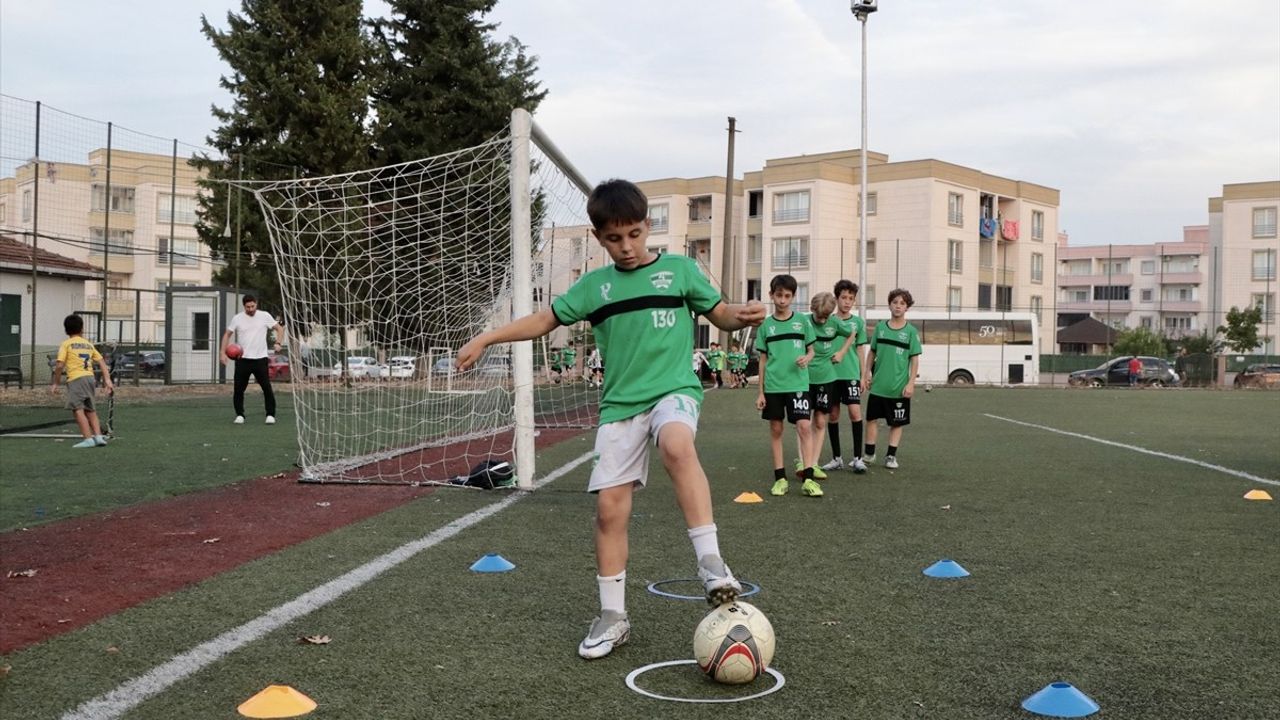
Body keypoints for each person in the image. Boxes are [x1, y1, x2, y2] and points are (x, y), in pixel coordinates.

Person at [456, 179, 766, 660]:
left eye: (635, 234)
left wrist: (741, 316)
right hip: (620, 406)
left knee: (678, 446)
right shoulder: (594, 288)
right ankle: (613, 616)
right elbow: (545, 321)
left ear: (648, 228)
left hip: (673, 391)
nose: (627, 246)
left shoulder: (681, 271)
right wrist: (487, 338)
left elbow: (720, 314)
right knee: (608, 511)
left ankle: (710, 563)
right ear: (600, 238)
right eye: (615, 238)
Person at [755, 274, 822, 498]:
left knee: (804, 426)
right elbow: (763, 360)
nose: (782, 300)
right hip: (774, 386)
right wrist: (761, 392)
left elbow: (812, 350)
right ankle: (780, 478)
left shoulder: (802, 322)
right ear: (771, 296)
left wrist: (807, 357)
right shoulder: (766, 326)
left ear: (793, 297)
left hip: (799, 385)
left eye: (787, 296)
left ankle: (809, 478)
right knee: (776, 429)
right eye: (778, 295)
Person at [861, 289, 921, 470]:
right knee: (871, 419)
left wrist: (911, 383)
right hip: (879, 386)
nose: (898, 306)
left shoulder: (910, 332)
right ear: (889, 304)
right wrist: (866, 374)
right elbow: (872, 352)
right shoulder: (880, 328)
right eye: (895, 302)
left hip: (898, 388)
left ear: (907, 308)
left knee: (897, 422)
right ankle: (869, 454)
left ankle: (890, 456)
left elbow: (915, 358)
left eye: (902, 303)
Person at [801, 291, 855, 480]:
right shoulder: (803, 321)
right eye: (819, 316)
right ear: (811, 309)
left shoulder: (835, 323)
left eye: (826, 316)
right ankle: (802, 461)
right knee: (803, 423)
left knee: (820, 421)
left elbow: (852, 333)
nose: (822, 321)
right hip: (804, 378)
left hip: (827, 378)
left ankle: (814, 463)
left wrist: (841, 352)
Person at [822, 280, 869, 474]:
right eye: (844, 298)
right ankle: (837, 458)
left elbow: (860, 349)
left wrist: (863, 375)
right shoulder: (830, 321)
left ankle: (858, 458)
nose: (847, 302)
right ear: (836, 299)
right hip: (831, 375)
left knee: (855, 413)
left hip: (850, 374)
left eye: (851, 298)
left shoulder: (858, 323)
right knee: (832, 415)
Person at [50, 314, 115, 448]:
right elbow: (101, 362)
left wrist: (56, 382)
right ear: (82, 329)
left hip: (76, 379)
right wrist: (107, 379)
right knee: (90, 409)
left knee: (77, 409)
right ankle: (98, 437)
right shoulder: (88, 344)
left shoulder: (66, 344)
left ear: (66, 330)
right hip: (90, 378)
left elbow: (60, 365)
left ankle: (88, 439)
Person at [220, 294, 286, 425]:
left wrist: (278, 343)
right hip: (242, 359)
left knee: (266, 388)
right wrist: (222, 352)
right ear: (244, 306)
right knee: (238, 389)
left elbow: (279, 328)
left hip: (260, 359)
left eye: (253, 306)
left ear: (256, 304)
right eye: (248, 307)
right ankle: (240, 415)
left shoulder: (264, 316)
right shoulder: (237, 318)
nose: (250, 309)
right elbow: (227, 334)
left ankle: (270, 415)